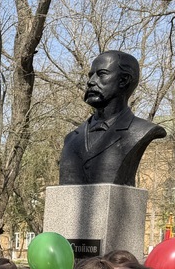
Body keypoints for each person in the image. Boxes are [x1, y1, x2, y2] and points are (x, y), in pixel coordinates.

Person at [57, 51, 166, 187]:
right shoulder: (71, 139)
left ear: (124, 80)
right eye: (90, 76)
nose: (90, 82)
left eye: (101, 74)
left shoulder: (140, 131)